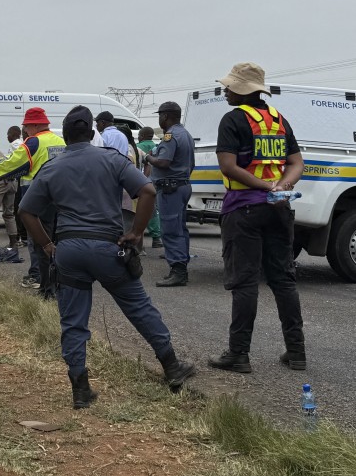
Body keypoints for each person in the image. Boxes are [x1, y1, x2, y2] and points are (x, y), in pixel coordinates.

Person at [18, 106, 195, 409]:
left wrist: (47, 247)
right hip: (107, 249)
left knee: (73, 322)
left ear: (66, 135)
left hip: (69, 251)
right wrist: (137, 232)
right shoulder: (112, 159)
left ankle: (81, 389)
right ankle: (172, 367)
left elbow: (25, 211)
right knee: (138, 307)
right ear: (91, 133)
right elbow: (148, 191)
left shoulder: (51, 168)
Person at [207, 62, 306, 373]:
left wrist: (264, 186)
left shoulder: (232, 120)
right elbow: (296, 163)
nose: (225, 90)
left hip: (244, 210)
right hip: (279, 209)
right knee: (283, 280)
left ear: (241, 90)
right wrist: (282, 186)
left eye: (230, 86)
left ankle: (238, 354)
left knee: (245, 282)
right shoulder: (278, 120)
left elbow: (228, 167)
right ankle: (297, 352)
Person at [0, 107, 65, 296]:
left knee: (39, 242)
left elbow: (10, 165)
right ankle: (57, 283)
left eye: (27, 127)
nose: (25, 131)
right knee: (57, 240)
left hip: (38, 197)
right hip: (60, 197)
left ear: (36, 125)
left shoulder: (34, 142)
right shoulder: (60, 141)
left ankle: (46, 288)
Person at [143, 102, 195, 287]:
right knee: (180, 229)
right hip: (182, 186)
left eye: (160, 116)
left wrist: (148, 157)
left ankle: (178, 271)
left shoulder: (170, 136)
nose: (160, 119)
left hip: (170, 189)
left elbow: (164, 162)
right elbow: (192, 165)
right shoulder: (186, 134)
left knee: (171, 231)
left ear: (165, 116)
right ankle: (181, 266)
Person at [136, 128, 163, 249]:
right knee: (154, 210)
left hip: (141, 183)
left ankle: (137, 242)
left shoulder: (137, 147)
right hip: (156, 182)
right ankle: (156, 237)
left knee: (137, 210)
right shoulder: (158, 147)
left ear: (141, 136)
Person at [8, 125, 28, 247]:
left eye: (8, 134)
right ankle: (23, 236)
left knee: (17, 209)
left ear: (14, 135)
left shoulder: (16, 144)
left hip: (19, 180)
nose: (7, 137)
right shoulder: (21, 143)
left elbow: (13, 162)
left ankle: (21, 237)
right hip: (22, 180)